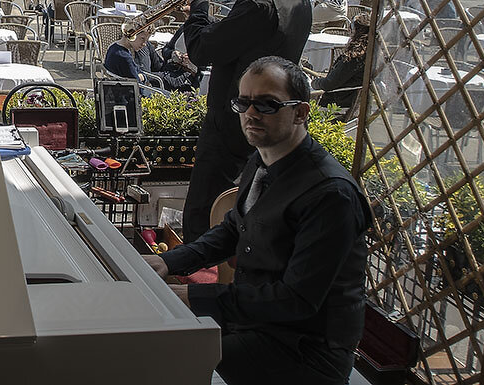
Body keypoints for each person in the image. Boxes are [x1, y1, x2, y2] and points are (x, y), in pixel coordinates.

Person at [144, 57, 370, 385]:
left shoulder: (331, 195)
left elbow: (296, 301)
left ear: (301, 112)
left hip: (305, 351)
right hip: (257, 325)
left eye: (267, 104)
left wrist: (194, 296)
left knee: (162, 359)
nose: (251, 113)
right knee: (147, 338)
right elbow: (235, 227)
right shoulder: (262, 160)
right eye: (244, 102)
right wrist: (167, 262)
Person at [179, 0, 312, 241]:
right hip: (272, 123)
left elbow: (200, 50)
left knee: (203, 212)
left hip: (233, 124)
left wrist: (199, 6)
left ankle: (192, 284)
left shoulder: (258, 3)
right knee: (244, 214)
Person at [311, 14, 371, 109]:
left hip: (337, 100)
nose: (348, 30)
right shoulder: (372, 55)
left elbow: (329, 84)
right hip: (354, 99)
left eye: (350, 27)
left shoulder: (353, 58)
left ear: (355, 31)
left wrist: (314, 83)